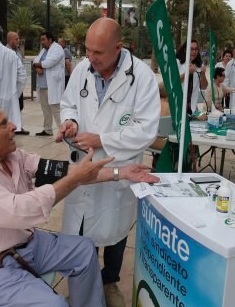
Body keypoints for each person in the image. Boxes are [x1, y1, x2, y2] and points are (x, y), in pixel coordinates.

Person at [0, 102, 159, 307]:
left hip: (27, 245)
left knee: (83, 249)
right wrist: (74, 180)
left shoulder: (12, 156)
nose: (14, 126)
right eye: (3, 123)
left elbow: (64, 172)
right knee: (53, 304)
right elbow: (19, 210)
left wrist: (120, 172)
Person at [58, 18, 160, 307]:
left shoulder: (140, 77)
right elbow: (68, 103)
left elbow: (146, 130)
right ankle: (81, 280)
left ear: (118, 47)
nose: (90, 58)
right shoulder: (83, 69)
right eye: (87, 50)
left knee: (115, 229)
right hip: (84, 164)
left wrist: (101, 139)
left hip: (119, 165)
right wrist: (70, 121)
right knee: (78, 228)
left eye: (98, 53)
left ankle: (110, 279)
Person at [33, 32, 65, 136]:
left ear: (50, 39)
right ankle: (47, 129)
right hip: (42, 85)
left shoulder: (58, 49)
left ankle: (63, 131)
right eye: (41, 40)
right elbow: (36, 60)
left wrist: (37, 65)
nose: (41, 42)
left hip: (52, 85)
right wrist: (37, 66)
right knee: (45, 109)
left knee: (56, 109)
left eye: (43, 39)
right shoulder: (43, 50)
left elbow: (49, 62)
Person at [175, 39, 208, 114]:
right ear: (185, 50)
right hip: (178, 106)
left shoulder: (199, 64)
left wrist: (203, 74)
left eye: (196, 49)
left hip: (192, 108)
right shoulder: (177, 62)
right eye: (191, 49)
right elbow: (174, 82)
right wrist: (188, 72)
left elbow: (204, 87)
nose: (194, 52)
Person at [6, 31, 29, 135]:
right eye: (16, 39)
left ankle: (18, 125)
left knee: (19, 105)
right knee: (12, 106)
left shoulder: (17, 52)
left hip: (18, 83)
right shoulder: (6, 52)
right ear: (10, 40)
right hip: (10, 85)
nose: (18, 41)